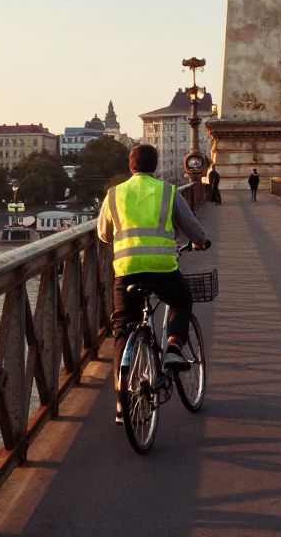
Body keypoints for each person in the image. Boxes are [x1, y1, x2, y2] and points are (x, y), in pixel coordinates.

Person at [97, 143, 210, 424]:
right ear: (155, 166)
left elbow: (103, 234)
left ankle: (122, 402)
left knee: (123, 328)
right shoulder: (167, 191)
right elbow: (191, 227)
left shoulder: (114, 194)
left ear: (131, 165)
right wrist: (200, 241)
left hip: (126, 270)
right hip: (162, 268)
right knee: (182, 301)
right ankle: (173, 348)